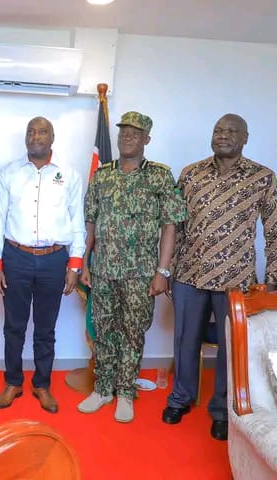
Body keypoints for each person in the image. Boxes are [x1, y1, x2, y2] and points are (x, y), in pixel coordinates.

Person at [163, 113, 277, 440]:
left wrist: (272, 279)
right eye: (218, 130)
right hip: (189, 274)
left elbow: (275, 232)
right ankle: (181, 397)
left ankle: (221, 408)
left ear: (245, 138)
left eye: (232, 131)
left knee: (229, 349)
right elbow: (175, 226)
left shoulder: (262, 177)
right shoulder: (190, 174)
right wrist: (168, 269)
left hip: (235, 280)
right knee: (184, 340)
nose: (223, 136)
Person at [77, 112, 187, 422]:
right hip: (103, 270)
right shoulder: (103, 175)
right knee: (104, 331)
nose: (127, 137)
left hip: (140, 273)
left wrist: (162, 271)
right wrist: (85, 261)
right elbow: (90, 221)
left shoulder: (159, 177)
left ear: (146, 140)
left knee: (132, 332)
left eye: (135, 133)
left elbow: (170, 226)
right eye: (124, 131)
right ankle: (102, 389)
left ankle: (125, 392)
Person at [0, 116, 85, 414]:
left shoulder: (69, 174)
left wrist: (75, 264)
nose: (36, 136)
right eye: (31, 131)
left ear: (52, 138)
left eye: (42, 131)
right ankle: (13, 382)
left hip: (55, 260)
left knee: (46, 328)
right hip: (15, 257)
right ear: (26, 138)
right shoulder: (10, 173)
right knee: (13, 326)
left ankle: (42, 384)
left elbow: (77, 222)